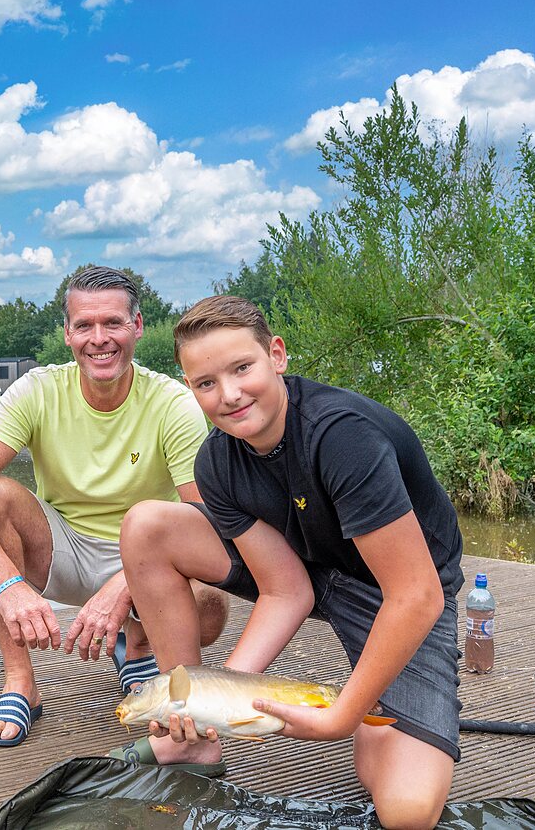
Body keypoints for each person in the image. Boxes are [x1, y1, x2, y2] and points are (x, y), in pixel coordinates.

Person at [116, 295, 464, 830]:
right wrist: (215, 699)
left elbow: (417, 594)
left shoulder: (340, 435)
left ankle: (377, 702)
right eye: (206, 383)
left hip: (399, 594)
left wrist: (345, 716)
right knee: (148, 526)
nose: (229, 394)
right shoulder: (215, 461)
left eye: (242, 368)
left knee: (407, 812)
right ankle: (192, 740)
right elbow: (287, 590)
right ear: (190, 388)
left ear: (276, 355)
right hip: (309, 568)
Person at [0, 266, 228, 748]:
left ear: (136, 326)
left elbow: (207, 520)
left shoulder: (173, 403)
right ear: (67, 334)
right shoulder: (38, 390)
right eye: (85, 326)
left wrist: (123, 587)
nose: (99, 339)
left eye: (112, 323)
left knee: (211, 608)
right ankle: (20, 683)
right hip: (62, 548)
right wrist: (8, 585)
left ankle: (137, 649)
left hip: (147, 555)